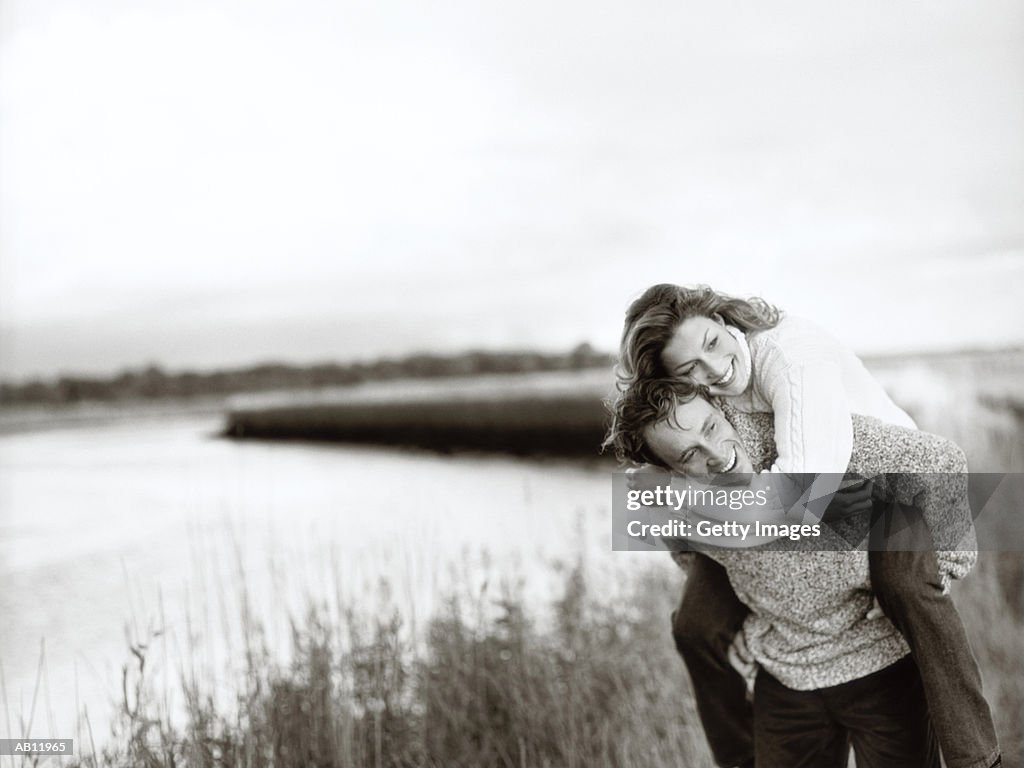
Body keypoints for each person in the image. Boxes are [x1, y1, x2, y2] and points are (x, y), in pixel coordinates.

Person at [608, 283, 1000, 768]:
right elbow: (678, 527)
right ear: (675, 382)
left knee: (907, 583)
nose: (711, 369)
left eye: (711, 344)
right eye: (689, 369)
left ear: (721, 320)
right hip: (790, 670)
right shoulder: (682, 453)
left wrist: (949, 554)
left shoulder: (794, 370)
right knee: (693, 625)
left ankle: (977, 758)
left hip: (891, 494)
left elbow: (821, 488)